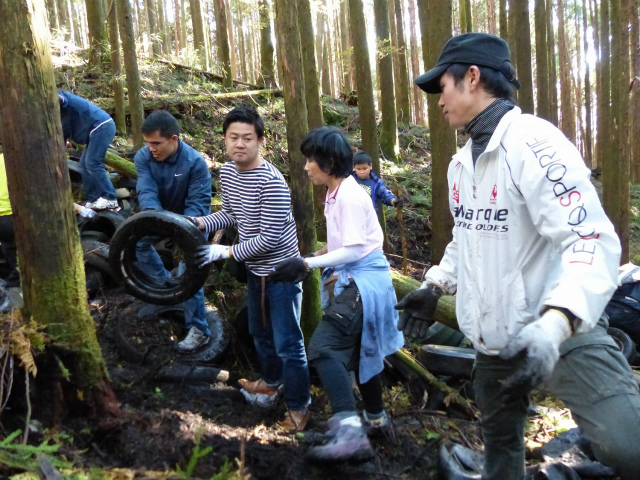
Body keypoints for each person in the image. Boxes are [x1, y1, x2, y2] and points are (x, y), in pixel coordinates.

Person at [398, 32, 640, 479]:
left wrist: (555, 325)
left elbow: (589, 238)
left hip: (561, 329)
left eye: (442, 87)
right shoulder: (461, 163)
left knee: (630, 447)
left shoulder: (535, 144)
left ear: (472, 77)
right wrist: (435, 285)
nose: (439, 101)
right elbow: (468, 235)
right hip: (493, 341)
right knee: (501, 453)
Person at [268, 127, 404, 462]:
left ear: (328, 163)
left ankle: (350, 435)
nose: (305, 167)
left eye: (310, 161)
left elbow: (355, 249)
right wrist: (312, 258)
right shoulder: (335, 193)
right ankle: (376, 420)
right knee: (360, 353)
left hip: (364, 284)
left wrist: (306, 264)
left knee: (324, 348)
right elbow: (340, 244)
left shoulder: (350, 196)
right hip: (358, 280)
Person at [192, 106, 311, 433]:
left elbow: (269, 239)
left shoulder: (272, 182)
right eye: (233, 137)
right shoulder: (228, 173)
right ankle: (271, 383)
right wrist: (201, 222)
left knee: (289, 343)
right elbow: (231, 214)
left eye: (247, 138)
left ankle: (300, 408)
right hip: (256, 271)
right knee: (259, 332)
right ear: (225, 139)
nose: (240, 144)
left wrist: (227, 251)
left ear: (261, 141)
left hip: (282, 272)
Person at [134, 110, 212, 353]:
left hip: (192, 222)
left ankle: (199, 330)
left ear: (173, 139)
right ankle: (165, 288)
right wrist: (155, 218)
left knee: (190, 271)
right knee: (138, 243)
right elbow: (146, 190)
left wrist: (180, 229)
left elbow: (198, 204)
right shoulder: (143, 157)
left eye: (156, 143)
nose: (151, 148)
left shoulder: (195, 162)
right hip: (159, 215)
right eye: (148, 143)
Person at [58, 91, 118, 210]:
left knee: (93, 162)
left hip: (101, 126)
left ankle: (110, 197)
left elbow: (60, 98)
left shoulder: (58, 97)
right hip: (95, 131)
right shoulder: (57, 119)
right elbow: (60, 140)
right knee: (84, 165)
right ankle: (92, 199)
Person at [0, 152, 23, 311]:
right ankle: (15, 304)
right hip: (14, 215)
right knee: (20, 262)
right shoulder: (18, 159)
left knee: (11, 255)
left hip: (2, 219)